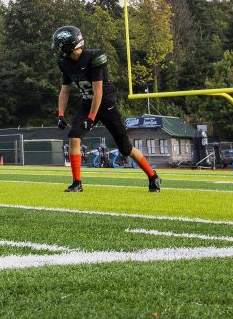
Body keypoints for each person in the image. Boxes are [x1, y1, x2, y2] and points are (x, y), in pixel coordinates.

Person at [53, 25, 161, 193]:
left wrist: (91, 118)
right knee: (74, 137)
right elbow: (64, 90)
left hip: (106, 104)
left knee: (126, 149)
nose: (58, 50)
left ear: (68, 45)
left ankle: (153, 176)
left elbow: (98, 91)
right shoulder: (65, 63)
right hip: (87, 103)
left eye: (60, 46)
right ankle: (77, 183)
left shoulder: (94, 57)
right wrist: (60, 114)